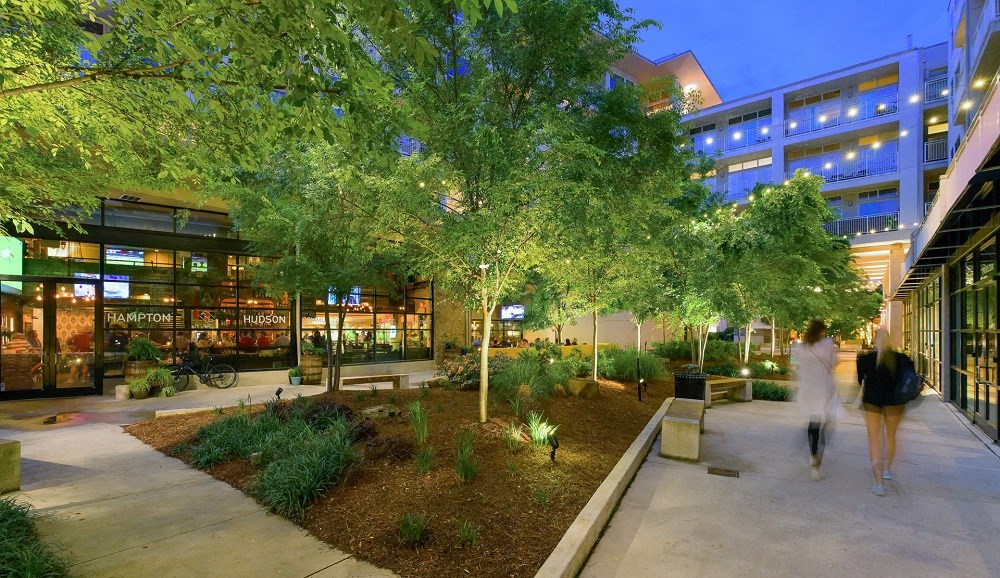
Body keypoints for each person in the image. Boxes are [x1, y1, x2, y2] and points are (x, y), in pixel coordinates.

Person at [856, 327, 908, 497]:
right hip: (895, 404)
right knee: (890, 436)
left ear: (875, 340)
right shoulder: (902, 359)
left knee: (874, 441)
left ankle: (879, 484)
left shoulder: (865, 359)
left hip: (872, 403)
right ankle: (887, 470)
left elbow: (859, 381)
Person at [793, 319, 839, 481]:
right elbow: (834, 364)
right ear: (821, 331)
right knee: (823, 426)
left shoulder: (800, 346)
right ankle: (816, 467)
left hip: (807, 390)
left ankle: (812, 454)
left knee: (813, 422)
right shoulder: (828, 345)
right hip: (823, 389)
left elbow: (796, 366)